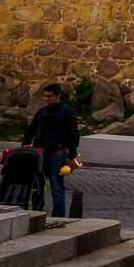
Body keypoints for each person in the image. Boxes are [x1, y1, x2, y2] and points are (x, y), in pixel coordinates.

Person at [21, 83, 80, 217]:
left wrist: (72, 155)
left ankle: (58, 216)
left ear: (58, 96)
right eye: (45, 97)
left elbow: (73, 134)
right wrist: (25, 143)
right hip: (40, 154)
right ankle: (36, 213)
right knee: (37, 186)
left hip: (57, 154)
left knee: (56, 187)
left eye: (50, 96)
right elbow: (31, 129)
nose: (47, 99)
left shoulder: (68, 112)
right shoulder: (42, 112)